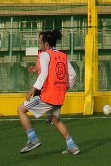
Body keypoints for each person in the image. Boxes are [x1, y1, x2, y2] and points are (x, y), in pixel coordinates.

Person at [17, 28, 79, 156]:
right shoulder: (63, 55)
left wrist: (32, 90)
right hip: (59, 96)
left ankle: (33, 139)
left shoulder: (45, 54)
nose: (40, 45)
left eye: (41, 43)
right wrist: (66, 87)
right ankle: (72, 146)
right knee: (55, 120)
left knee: (21, 110)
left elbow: (44, 73)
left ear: (46, 44)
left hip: (48, 96)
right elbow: (72, 74)